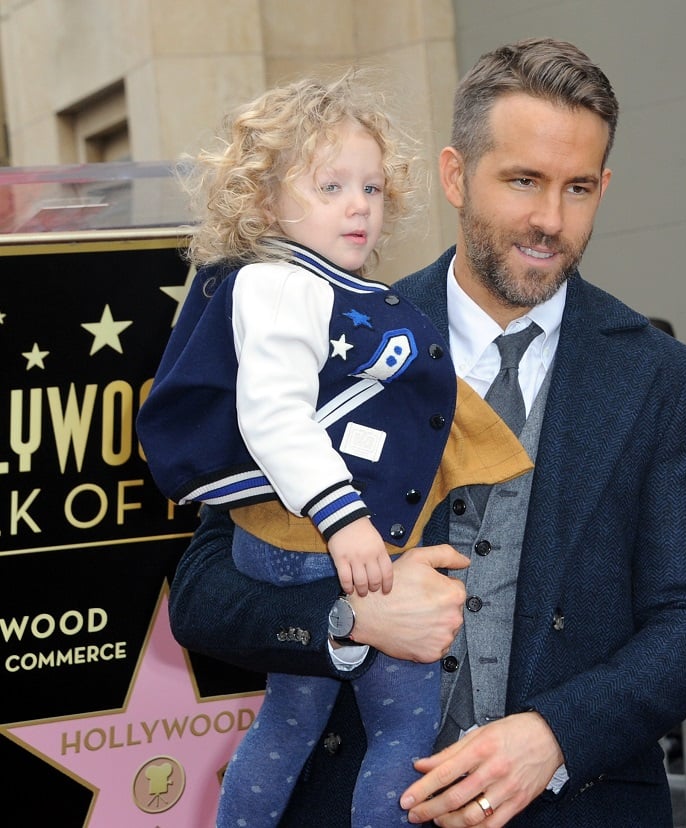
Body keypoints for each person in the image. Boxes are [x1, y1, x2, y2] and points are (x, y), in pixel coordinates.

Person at [164, 37, 686, 827]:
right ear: (456, 175)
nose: (549, 219)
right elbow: (202, 594)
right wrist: (352, 616)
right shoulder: (337, 332)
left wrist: (552, 738)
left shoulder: (661, 377)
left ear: (605, 185)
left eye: (577, 188)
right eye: (523, 181)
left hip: (581, 804)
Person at [137, 73, 532, 827]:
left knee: (289, 719)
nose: (359, 205)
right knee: (406, 725)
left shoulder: (319, 285)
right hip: (318, 538)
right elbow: (276, 417)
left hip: (291, 542)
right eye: (331, 186)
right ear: (263, 201)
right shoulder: (283, 284)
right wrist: (346, 519)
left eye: (372, 188)